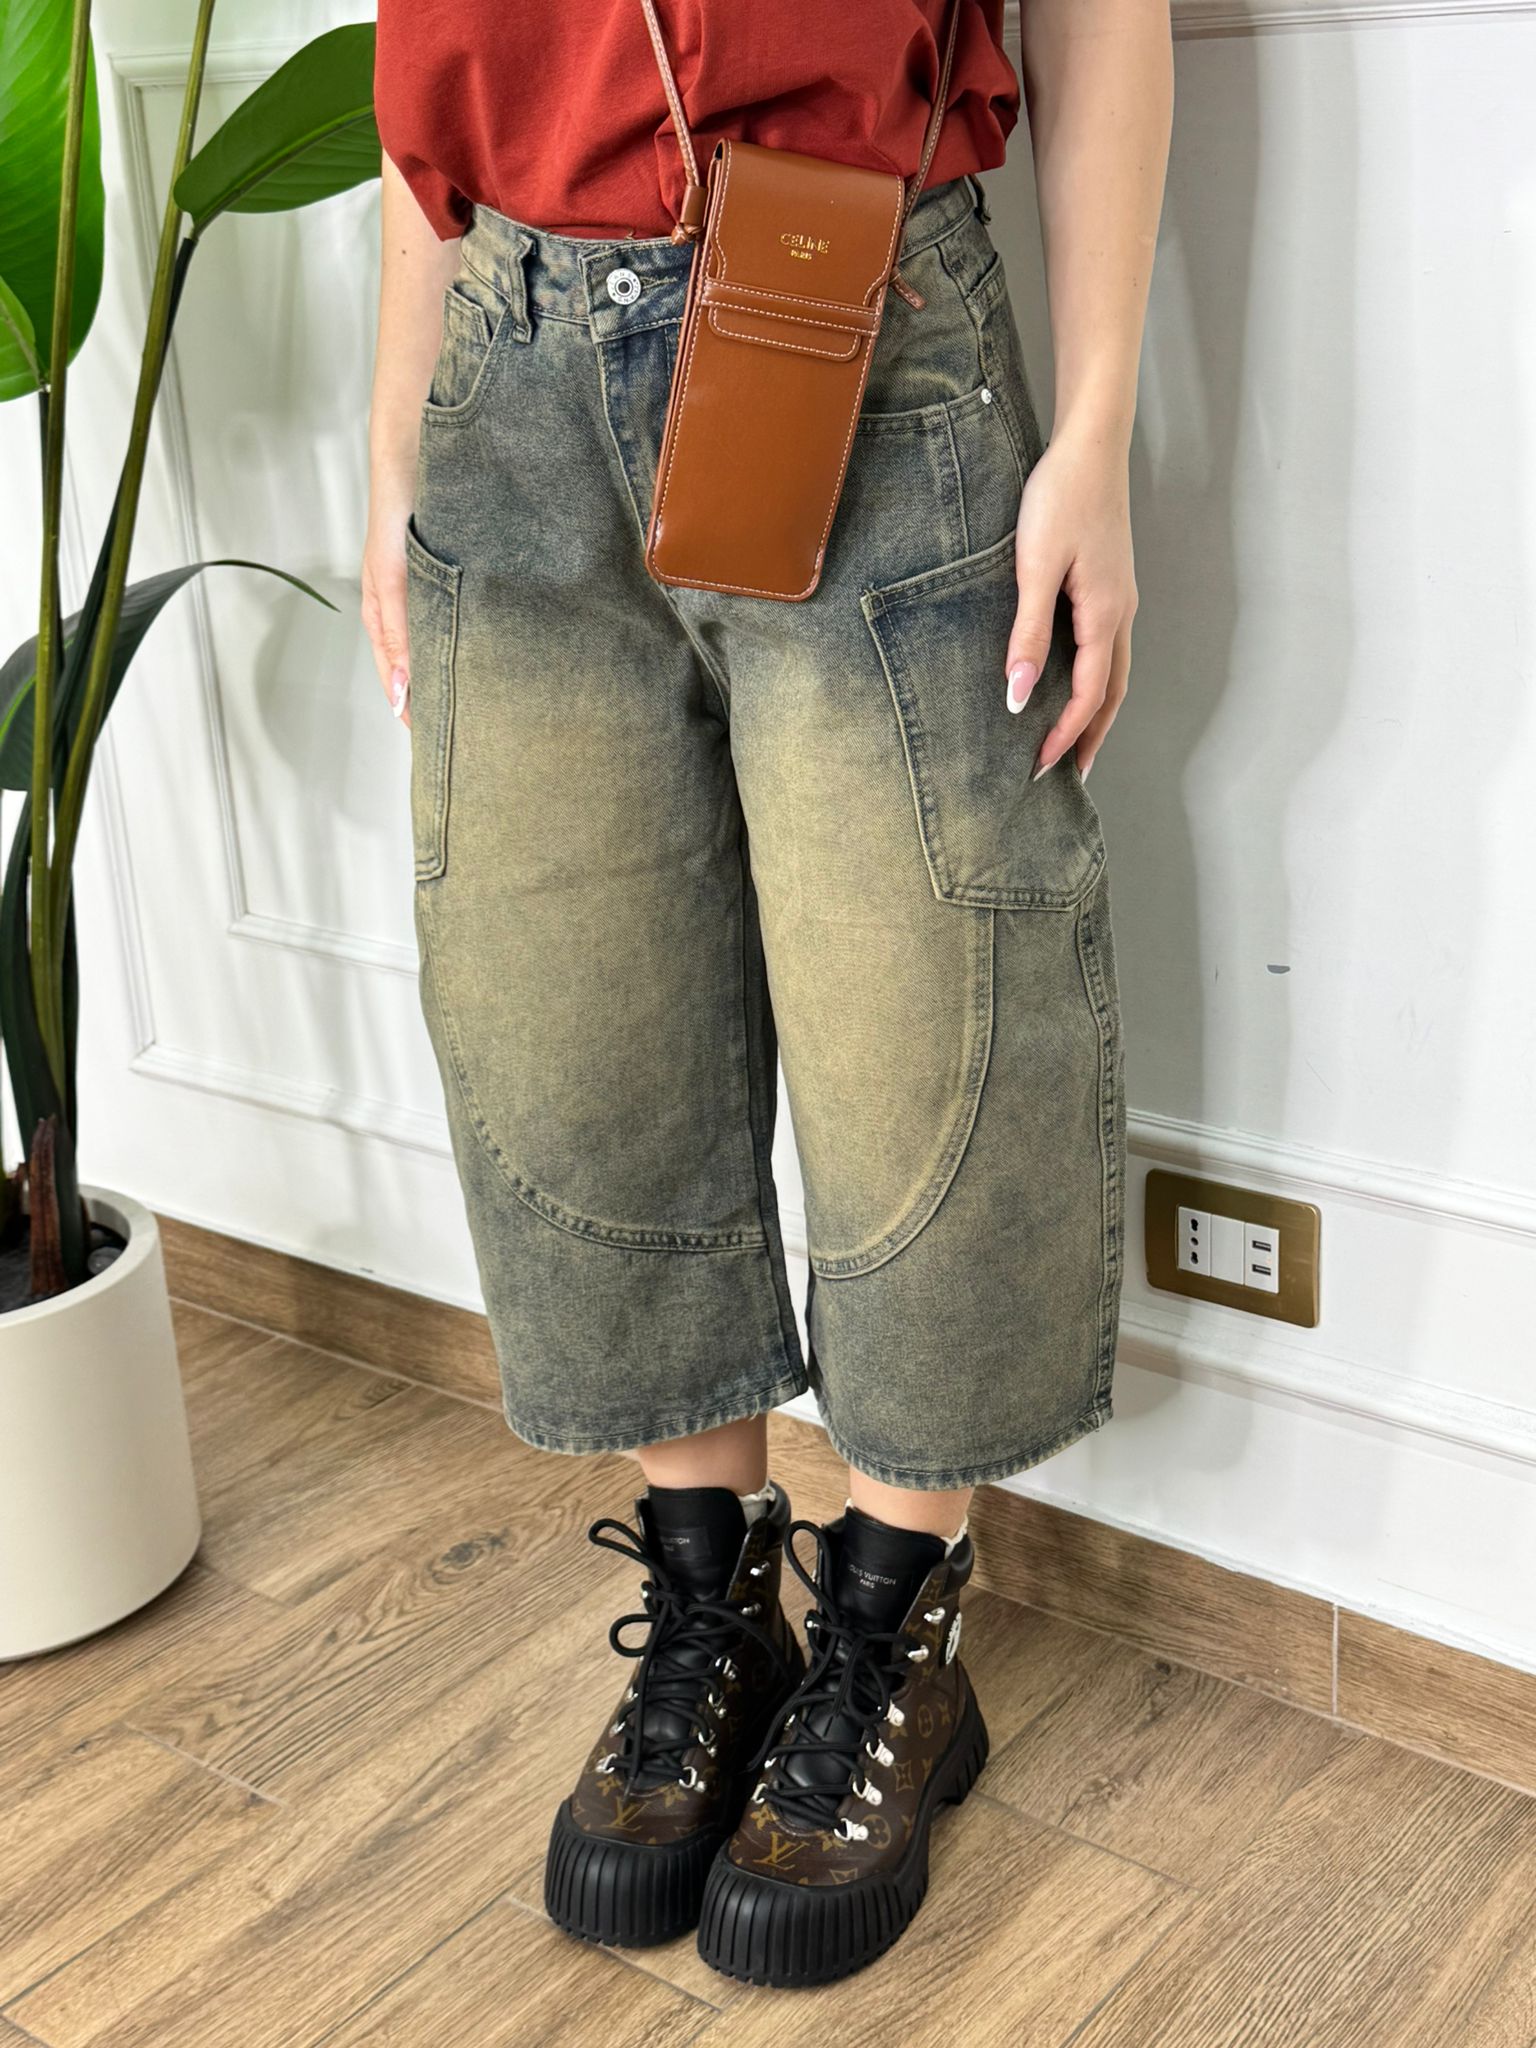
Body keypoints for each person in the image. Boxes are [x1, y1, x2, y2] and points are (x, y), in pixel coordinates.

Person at [365, 0, 1172, 1989]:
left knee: (928, 1003)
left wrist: (1095, 431)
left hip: (864, 313)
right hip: (507, 361)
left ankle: (896, 1623)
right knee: (575, 1007)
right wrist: (389, 448)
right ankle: (712, 1608)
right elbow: (427, 80)